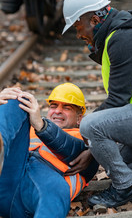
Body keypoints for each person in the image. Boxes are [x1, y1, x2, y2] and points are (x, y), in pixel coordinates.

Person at [62, 0, 132, 208]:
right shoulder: (122, 33)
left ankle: (124, 188)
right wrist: (95, 151)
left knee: (90, 125)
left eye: (78, 26)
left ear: (95, 20)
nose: (78, 35)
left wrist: (88, 143)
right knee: (120, 162)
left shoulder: (125, 38)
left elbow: (117, 100)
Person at [0, 83, 98, 218]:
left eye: (67, 107)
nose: (58, 111)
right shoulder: (28, 125)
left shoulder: (87, 141)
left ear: (79, 118)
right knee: (19, 99)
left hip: (38, 194)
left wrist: (42, 126)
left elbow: (73, 149)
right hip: (8, 175)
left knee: (58, 187)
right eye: (53, 106)